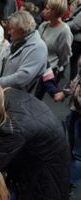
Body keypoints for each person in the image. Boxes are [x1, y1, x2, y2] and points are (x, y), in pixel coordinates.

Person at [0, 10, 47, 92]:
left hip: (15, 98)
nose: (9, 32)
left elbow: (21, 78)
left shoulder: (39, 47)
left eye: (11, 29)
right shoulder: (17, 40)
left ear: (22, 30)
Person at [54, 56, 81, 192]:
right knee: (69, 142)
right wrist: (66, 93)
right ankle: (64, 172)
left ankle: (67, 184)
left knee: (79, 155)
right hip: (76, 111)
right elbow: (77, 80)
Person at [38, 0, 73, 85]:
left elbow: (65, 55)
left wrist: (57, 68)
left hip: (47, 70)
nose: (43, 11)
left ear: (55, 12)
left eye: (47, 9)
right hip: (36, 65)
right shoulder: (44, 25)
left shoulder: (64, 31)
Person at [66, 0, 81, 80]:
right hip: (78, 40)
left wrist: (64, 25)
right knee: (73, 61)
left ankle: (71, 83)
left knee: (67, 59)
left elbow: (76, 25)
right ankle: (72, 83)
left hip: (77, 40)